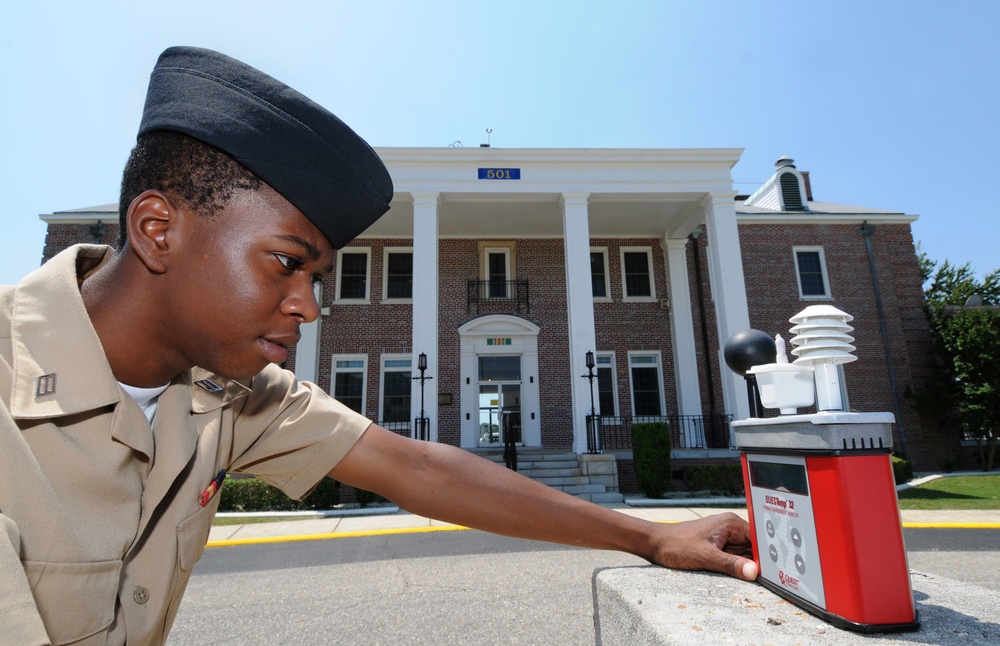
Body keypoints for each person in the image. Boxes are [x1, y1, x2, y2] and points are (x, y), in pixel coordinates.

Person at [0, 46, 757, 645]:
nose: (309, 307)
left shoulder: (224, 393)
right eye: (286, 263)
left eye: (320, 278)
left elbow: (417, 467)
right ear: (157, 230)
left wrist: (652, 538)